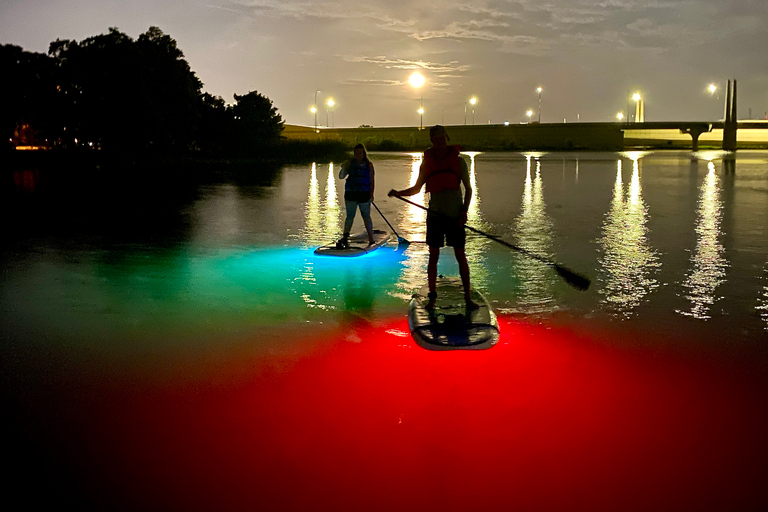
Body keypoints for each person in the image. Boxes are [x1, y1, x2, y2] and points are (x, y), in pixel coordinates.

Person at [388, 125, 478, 310]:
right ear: (432, 140)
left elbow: (468, 189)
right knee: (433, 256)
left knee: (460, 255)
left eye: (442, 137)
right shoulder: (427, 162)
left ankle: (468, 299)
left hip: (455, 216)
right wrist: (399, 193)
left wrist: (464, 212)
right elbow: (416, 189)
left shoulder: (459, 162)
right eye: (435, 138)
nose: (439, 141)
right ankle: (433, 299)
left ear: (447, 137)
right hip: (435, 216)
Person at [337, 143, 375, 248]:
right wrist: (344, 167)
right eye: (356, 153)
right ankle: (345, 237)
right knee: (350, 216)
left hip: (364, 194)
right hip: (351, 194)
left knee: (366, 216)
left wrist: (371, 194)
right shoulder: (350, 164)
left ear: (363, 153)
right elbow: (341, 176)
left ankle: (371, 239)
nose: (358, 155)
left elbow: (372, 180)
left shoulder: (369, 165)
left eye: (360, 153)